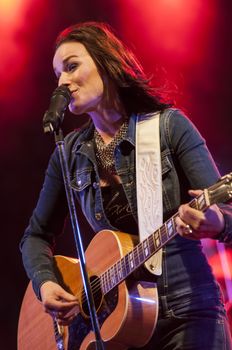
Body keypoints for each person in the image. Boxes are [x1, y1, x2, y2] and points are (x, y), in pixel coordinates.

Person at [20, 21, 232, 349]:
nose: (62, 82)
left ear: (106, 62)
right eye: (57, 75)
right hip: (118, 330)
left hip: (188, 313)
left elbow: (226, 209)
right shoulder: (69, 155)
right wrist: (45, 284)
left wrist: (217, 222)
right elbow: (35, 236)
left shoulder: (168, 128)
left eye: (72, 66)